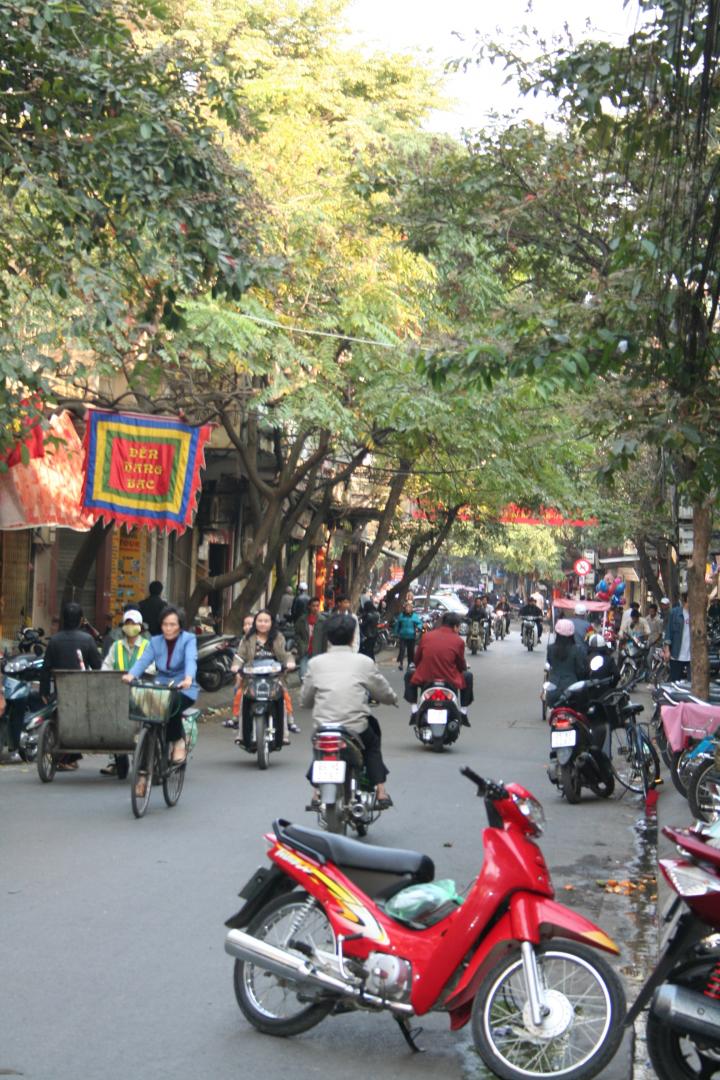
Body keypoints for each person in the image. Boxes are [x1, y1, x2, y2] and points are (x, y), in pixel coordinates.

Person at [301, 614, 396, 808]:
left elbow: (305, 699)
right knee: (372, 743)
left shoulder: (315, 663)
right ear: (353, 637)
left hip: (325, 727)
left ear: (328, 637)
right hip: (356, 728)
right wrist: (391, 699)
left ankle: (316, 791)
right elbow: (382, 691)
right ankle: (380, 790)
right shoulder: (364, 662)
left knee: (319, 747)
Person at [122, 605, 198, 774]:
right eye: (165, 624)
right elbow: (143, 661)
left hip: (183, 686)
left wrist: (188, 678)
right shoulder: (155, 642)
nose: (168, 628)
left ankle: (177, 740)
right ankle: (144, 765)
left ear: (180, 625)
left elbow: (190, 660)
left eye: (173, 624)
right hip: (161, 684)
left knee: (173, 703)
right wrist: (131, 675)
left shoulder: (189, 639)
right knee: (147, 712)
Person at [40, 602, 102, 771]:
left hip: (61, 693)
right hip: (83, 692)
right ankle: (67, 756)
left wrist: (44, 692)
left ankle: (67, 755)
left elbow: (45, 669)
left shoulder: (54, 641)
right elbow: (98, 667)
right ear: (81, 620)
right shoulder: (88, 640)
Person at [233, 609, 296, 750]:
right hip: (251, 677)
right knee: (244, 700)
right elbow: (239, 656)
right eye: (260, 621)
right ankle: (241, 735)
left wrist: (289, 662)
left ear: (271, 623)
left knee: (283, 700)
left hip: (274, 677)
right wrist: (236, 666)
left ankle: (284, 734)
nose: (263, 624)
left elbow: (286, 654)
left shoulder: (278, 637)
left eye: (266, 621)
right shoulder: (248, 638)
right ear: (255, 622)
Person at [100, 608, 152, 776]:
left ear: (140, 626)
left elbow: (151, 668)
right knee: (116, 726)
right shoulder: (116, 646)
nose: (130, 627)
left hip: (140, 693)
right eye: (128, 623)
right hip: (118, 694)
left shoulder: (147, 646)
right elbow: (106, 667)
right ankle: (119, 759)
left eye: (134, 623)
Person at [406, 612, 473, 723]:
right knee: (468, 676)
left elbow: (417, 660)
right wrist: (463, 668)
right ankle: (463, 711)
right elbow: (461, 665)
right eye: (459, 627)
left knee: (409, 674)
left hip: (425, 678)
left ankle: (414, 709)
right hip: (449, 679)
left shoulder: (426, 636)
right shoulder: (458, 641)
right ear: (455, 626)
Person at [545, 619, 588, 707]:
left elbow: (550, 663)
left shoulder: (550, 648)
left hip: (552, 690)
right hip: (572, 690)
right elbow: (580, 670)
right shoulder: (577, 649)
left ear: (557, 633)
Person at [664, 592, 691, 681]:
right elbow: (669, 632)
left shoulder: (697, 615)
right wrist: (667, 650)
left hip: (691, 656)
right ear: (686, 599)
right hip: (676, 654)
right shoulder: (675, 613)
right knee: (675, 681)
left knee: (691, 683)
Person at [295, 597, 323, 681]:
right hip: (305, 650)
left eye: (317, 606)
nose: (315, 608)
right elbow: (296, 634)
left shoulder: (323, 620)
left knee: (317, 676)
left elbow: (325, 638)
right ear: (309, 606)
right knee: (303, 676)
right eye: (313, 606)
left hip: (317, 650)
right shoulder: (302, 620)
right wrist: (300, 644)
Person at [393, 599, 422, 670]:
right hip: (402, 635)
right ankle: (401, 664)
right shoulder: (401, 616)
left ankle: (410, 664)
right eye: (407, 607)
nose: (408, 608)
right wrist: (396, 633)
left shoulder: (414, 616)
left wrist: (418, 628)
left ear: (412, 609)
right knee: (402, 650)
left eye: (409, 607)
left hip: (412, 636)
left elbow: (420, 623)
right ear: (405, 608)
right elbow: (397, 625)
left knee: (411, 651)